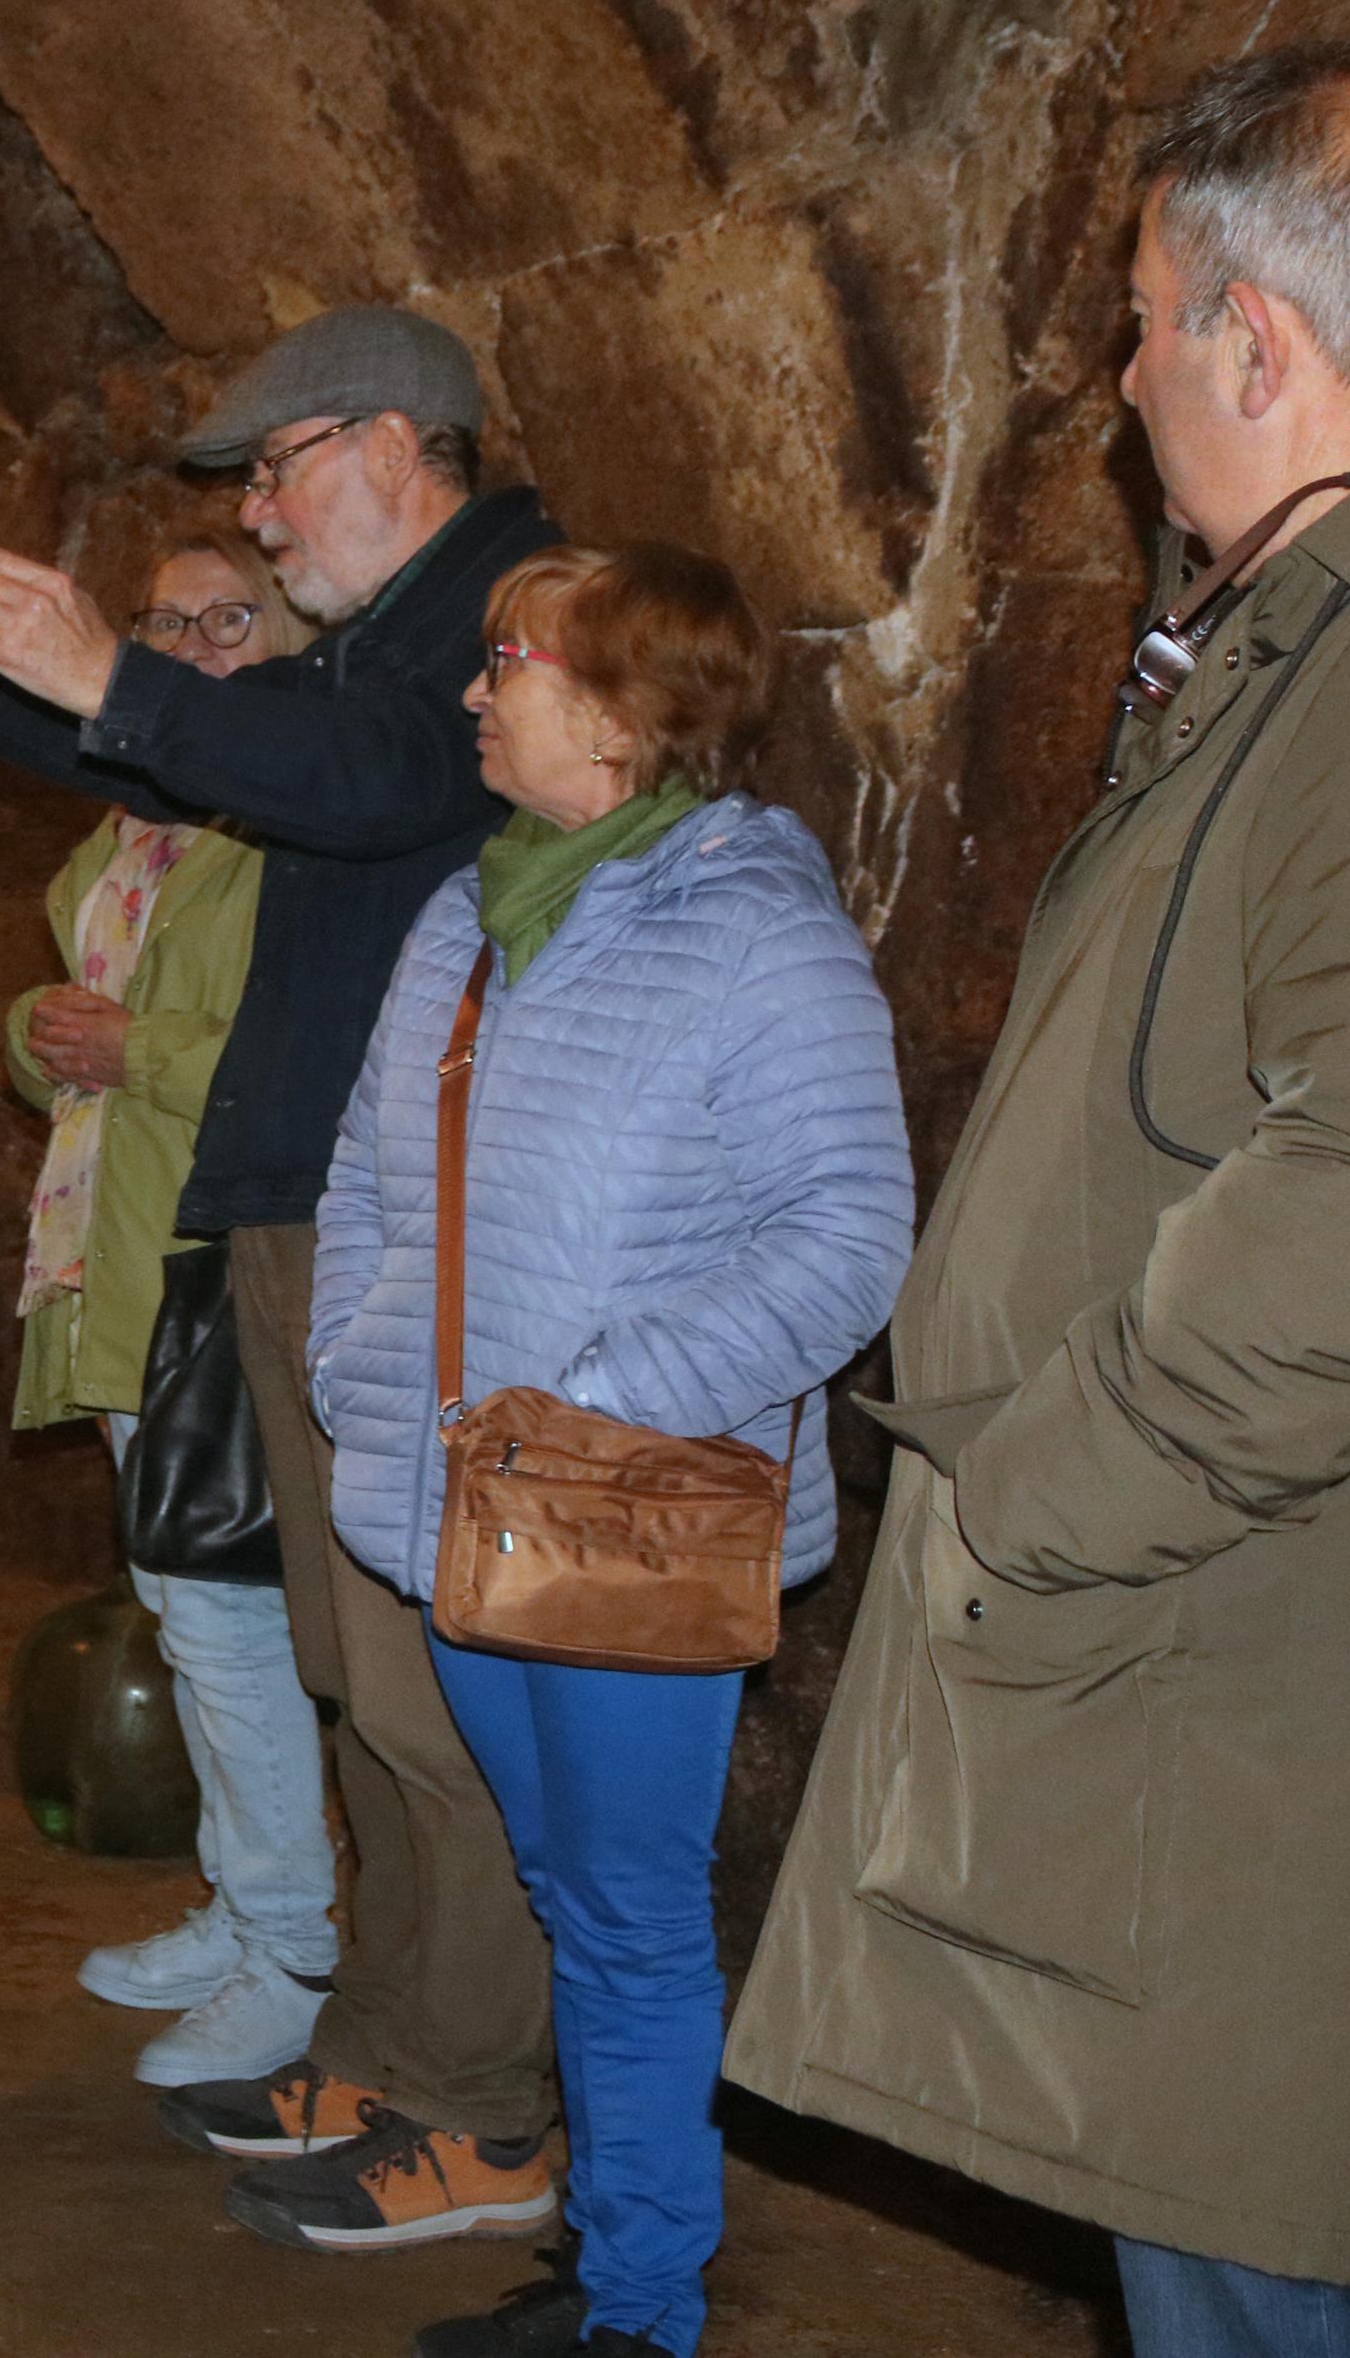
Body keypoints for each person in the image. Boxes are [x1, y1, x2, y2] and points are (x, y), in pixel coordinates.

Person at [730, 49, 1350, 2352]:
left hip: (1310, 1711)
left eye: (1145, 317)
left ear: (1260, 342)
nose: (1123, 379)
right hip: (1263, 1666)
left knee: (1291, 2285)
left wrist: (1038, 1486)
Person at [0, 306, 566, 2231]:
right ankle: (392, 2044)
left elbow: (363, 783)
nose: (265, 519)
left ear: (391, 445)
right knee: (357, 1678)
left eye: (278, 473)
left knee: (423, 1687)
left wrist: (105, 664)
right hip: (315, 1202)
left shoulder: (500, 617)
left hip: (409, 1222)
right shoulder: (393, 631)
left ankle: (488, 2110)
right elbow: (231, 766)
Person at [299, 548, 909, 2350]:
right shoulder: (470, 913)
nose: (477, 695)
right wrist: (359, 1362)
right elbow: (364, 1174)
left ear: (633, 710)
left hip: (625, 1521)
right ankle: (603, 2242)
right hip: (469, 1509)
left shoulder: (755, 933)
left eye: (510, 664)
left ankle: (643, 2305)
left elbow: (845, 1234)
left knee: (630, 1915)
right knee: (570, 1895)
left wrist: (602, 1401)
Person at [5, 539, 343, 2086]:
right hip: (120, 1252)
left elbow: (312, 1068)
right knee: (187, 1604)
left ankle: (294, 1945)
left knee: (228, 1616)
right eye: (169, 621)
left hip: (221, 1259)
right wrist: (39, 1031)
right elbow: (62, 1016)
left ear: (287, 641)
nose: (200, 646)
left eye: (234, 618)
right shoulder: (137, 824)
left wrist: (126, 1048)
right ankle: (239, 1903)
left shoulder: (295, 832)